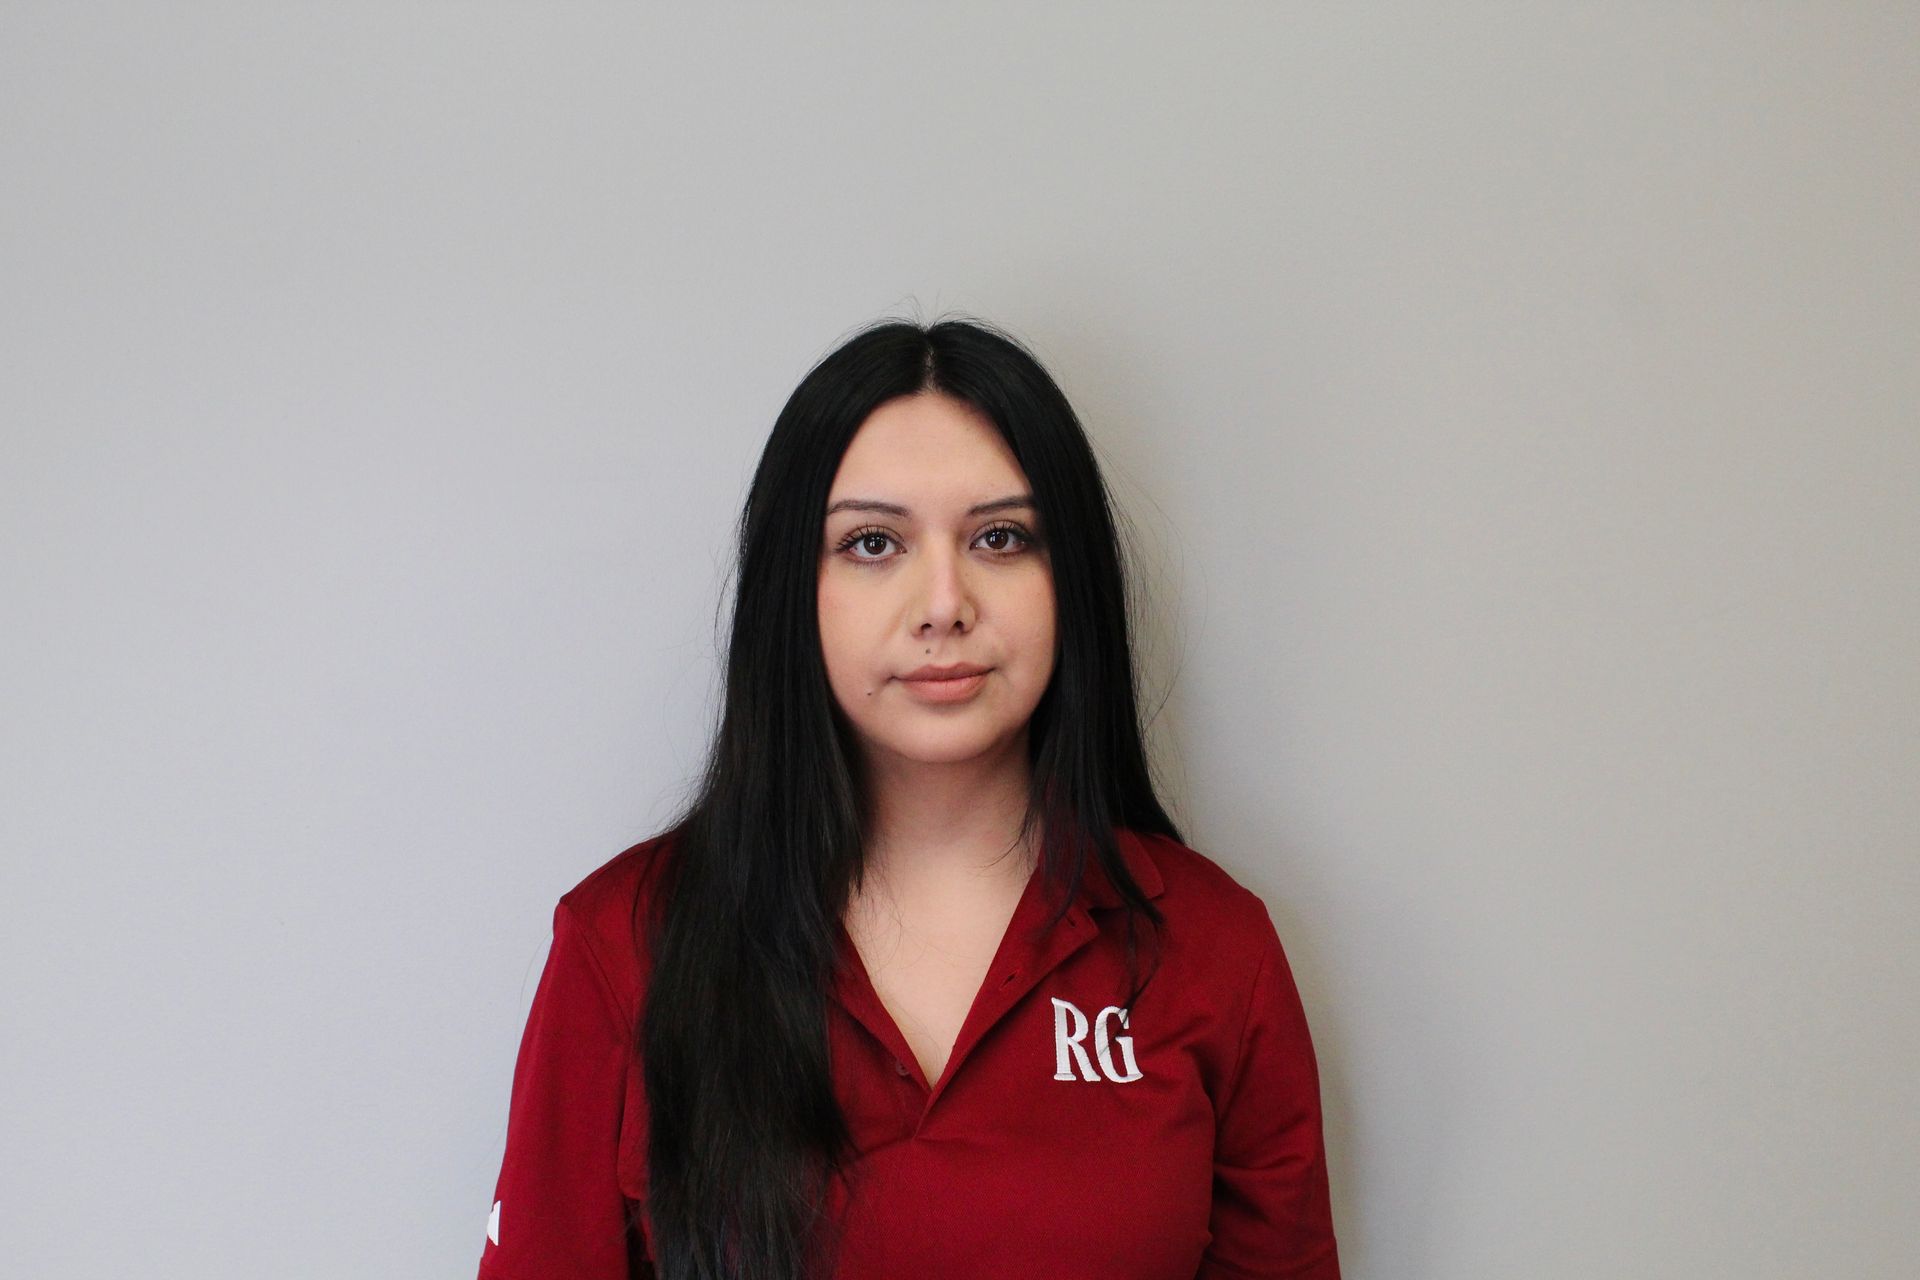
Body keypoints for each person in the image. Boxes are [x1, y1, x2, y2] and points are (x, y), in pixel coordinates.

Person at [474, 316, 1342, 1280]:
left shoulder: (1216, 952)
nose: (943, 602)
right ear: (790, 591)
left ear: (1074, 582)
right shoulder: (624, 943)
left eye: (1002, 538)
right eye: (874, 542)